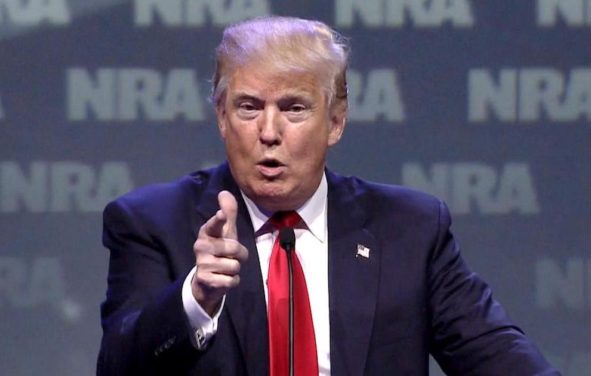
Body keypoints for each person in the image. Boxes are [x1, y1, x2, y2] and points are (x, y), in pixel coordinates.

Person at [97, 16, 559, 375]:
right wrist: (194, 300)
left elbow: (498, 357)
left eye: (294, 108)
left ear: (335, 122)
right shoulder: (151, 222)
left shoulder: (410, 230)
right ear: (221, 116)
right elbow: (117, 367)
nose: (269, 132)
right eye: (248, 107)